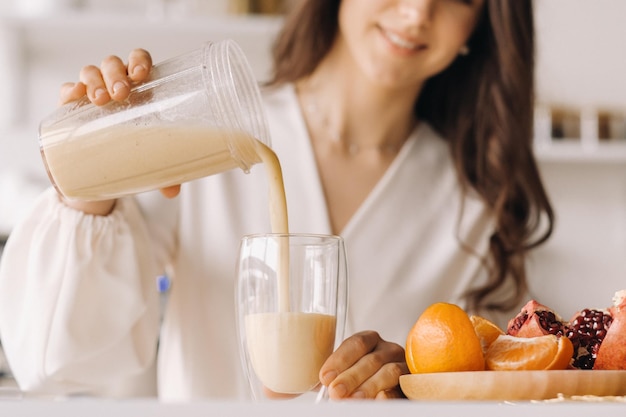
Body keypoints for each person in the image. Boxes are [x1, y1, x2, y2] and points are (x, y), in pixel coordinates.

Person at [0, 0, 553, 401]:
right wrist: (91, 187)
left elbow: (487, 389)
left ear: (480, 25)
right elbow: (59, 361)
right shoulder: (208, 134)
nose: (416, 12)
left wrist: (407, 383)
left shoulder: (473, 201)